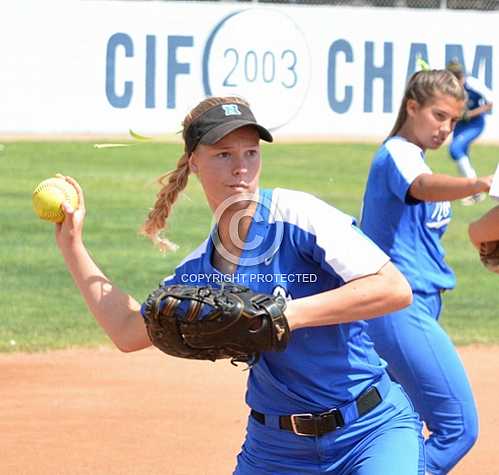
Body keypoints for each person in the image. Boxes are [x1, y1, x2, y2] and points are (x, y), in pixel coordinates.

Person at [55, 96, 426, 474]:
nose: (241, 169)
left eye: (250, 153)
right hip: (275, 449)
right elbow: (127, 331)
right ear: (193, 162)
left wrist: (288, 314)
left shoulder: (298, 215)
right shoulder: (201, 269)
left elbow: (393, 288)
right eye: (223, 155)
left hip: (368, 431)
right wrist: (72, 246)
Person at [360, 69, 493, 475]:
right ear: (411, 106)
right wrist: (481, 183)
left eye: (453, 121)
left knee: (398, 428)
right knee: (457, 429)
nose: (446, 129)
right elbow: (423, 186)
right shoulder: (398, 153)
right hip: (402, 307)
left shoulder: (411, 154)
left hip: (413, 308)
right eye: (439, 116)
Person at [446, 60, 494, 205]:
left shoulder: (472, 84)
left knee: (455, 149)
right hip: (460, 124)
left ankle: (476, 190)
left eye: (458, 75)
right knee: (462, 154)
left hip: (474, 123)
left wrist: (470, 114)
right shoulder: (448, 87)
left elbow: (490, 102)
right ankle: (471, 192)